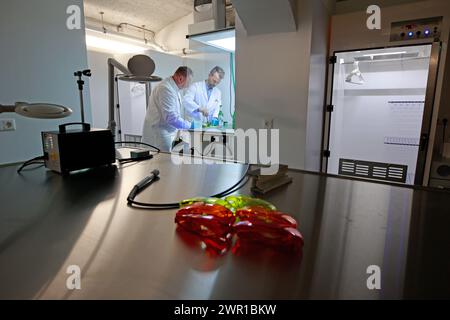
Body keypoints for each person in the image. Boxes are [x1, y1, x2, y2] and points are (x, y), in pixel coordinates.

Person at [142, 66, 194, 152]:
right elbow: (171, 117)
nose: (188, 85)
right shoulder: (165, 89)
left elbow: (174, 113)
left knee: (166, 161)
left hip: (167, 132)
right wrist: (189, 126)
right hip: (159, 134)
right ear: (181, 78)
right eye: (189, 82)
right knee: (161, 163)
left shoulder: (173, 89)